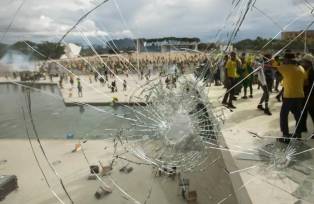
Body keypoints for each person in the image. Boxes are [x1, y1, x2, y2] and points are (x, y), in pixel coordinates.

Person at [275, 52, 308, 143]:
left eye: (284, 59)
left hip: (289, 95)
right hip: (299, 96)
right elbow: (305, 81)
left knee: (283, 116)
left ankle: (286, 136)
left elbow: (273, 68)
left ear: (288, 60)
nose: (284, 60)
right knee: (298, 116)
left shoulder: (286, 68)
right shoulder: (301, 68)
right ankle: (298, 135)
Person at [300, 54, 314, 137]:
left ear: (308, 62)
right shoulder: (306, 70)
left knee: (312, 113)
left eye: (303, 61)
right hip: (305, 95)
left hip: (311, 96)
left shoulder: (312, 71)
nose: (302, 63)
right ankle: (303, 127)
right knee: (303, 111)